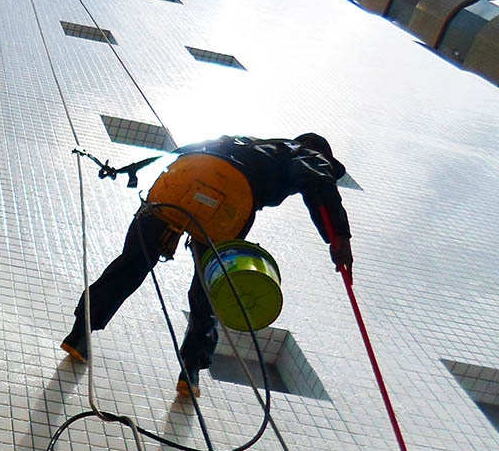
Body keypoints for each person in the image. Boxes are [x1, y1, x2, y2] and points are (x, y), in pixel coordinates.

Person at [61, 133, 353, 398]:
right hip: (230, 200)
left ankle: (79, 332)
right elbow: (317, 180)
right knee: (208, 289)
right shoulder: (303, 153)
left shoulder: (244, 141)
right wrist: (338, 236)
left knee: (132, 263)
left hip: (182, 178)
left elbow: (188, 148)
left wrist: (135, 167)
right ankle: (190, 370)